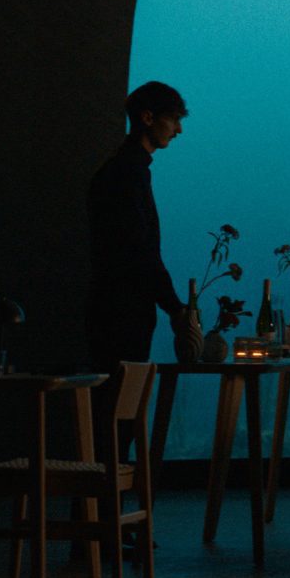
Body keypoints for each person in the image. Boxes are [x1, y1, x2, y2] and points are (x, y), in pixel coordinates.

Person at [86, 81, 191, 379]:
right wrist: (174, 307)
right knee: (117, 404)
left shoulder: (122, 171)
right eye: (173, 119)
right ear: (148, 118)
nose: (178, 130)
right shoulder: (127, 175)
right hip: (121, 313)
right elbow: (139, 248)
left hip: (114, 308)